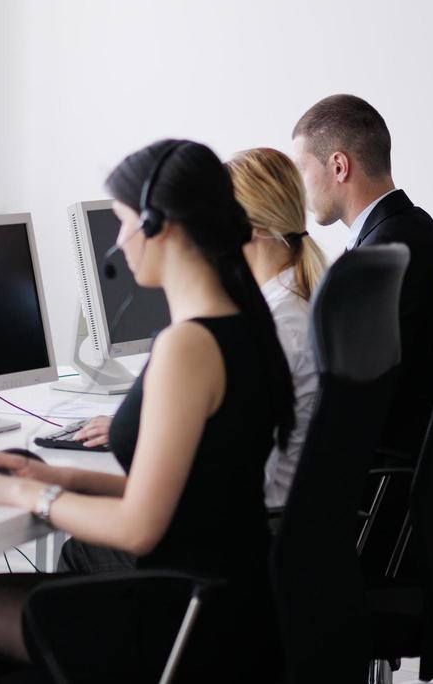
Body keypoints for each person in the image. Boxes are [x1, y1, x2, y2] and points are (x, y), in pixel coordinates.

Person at [0, 139, 293, 683]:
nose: (117, 242)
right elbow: (195, 494)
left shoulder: (187, 348)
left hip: (183, 617)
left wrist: (24, 494)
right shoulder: (243, 322)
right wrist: (51, 473)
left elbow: (141, 527)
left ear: (157, 223)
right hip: (228, 603)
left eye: (122, 223)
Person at [67, 146, 325, 517]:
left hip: (260, 518)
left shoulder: (279, 322)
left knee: (78, 547)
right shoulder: (289, 300)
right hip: (269, 516)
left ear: (247, 228)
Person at [290, 94, 433, 461]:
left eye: (301, 169)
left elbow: (348, 402)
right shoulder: (416, 230)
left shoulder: (375, 265)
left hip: (380, 479)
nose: (299, 188)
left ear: (339, 166)